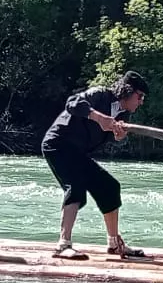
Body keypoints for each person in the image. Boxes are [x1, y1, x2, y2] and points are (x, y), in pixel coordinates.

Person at [42, 71, 149, 260]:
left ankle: (114, 244)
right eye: (139, 96)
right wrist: (99, 118)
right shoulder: (99, 95)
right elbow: (72, 103)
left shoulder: (123, 114)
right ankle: (63, 245)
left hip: (79, 152)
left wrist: (119, 135)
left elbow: (114, 137)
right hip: (58, 145)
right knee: (75, 187)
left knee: (109, 187)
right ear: (128, 91)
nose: (141, 102)